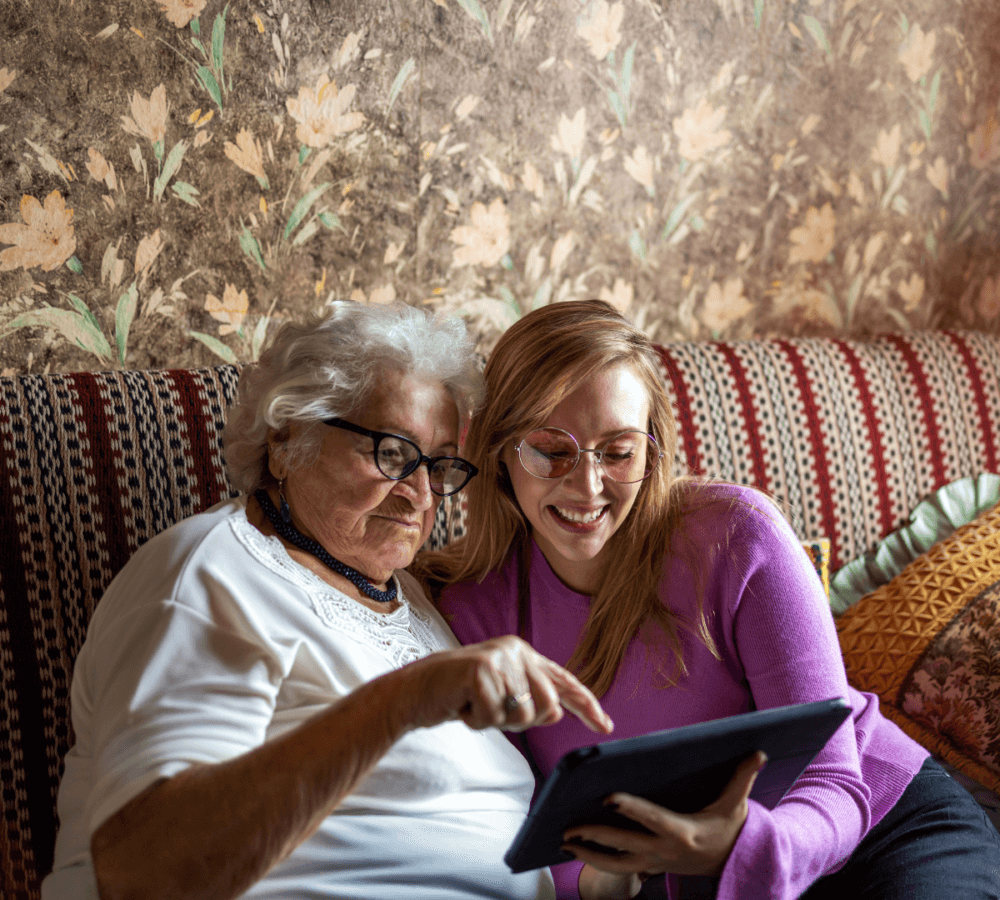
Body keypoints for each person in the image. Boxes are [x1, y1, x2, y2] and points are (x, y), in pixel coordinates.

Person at [420, 299, 1000, 900]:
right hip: (682, 879)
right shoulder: (474, 611)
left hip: (881, 825)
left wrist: (744, 847)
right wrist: (594, 879)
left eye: (618, 452)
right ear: (499, 452)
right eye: (551, 450)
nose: (587, 486)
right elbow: (515, 818)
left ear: (651, 449)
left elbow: (832, 775)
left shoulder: (736, 537)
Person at [41, 301, 616, 900]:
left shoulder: (413, 600)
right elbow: (141, 873)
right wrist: (402, 702)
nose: (421, 495)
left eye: (440, 465)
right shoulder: (213, 573)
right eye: (392, 454)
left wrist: (614, 872)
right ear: (288, 438)